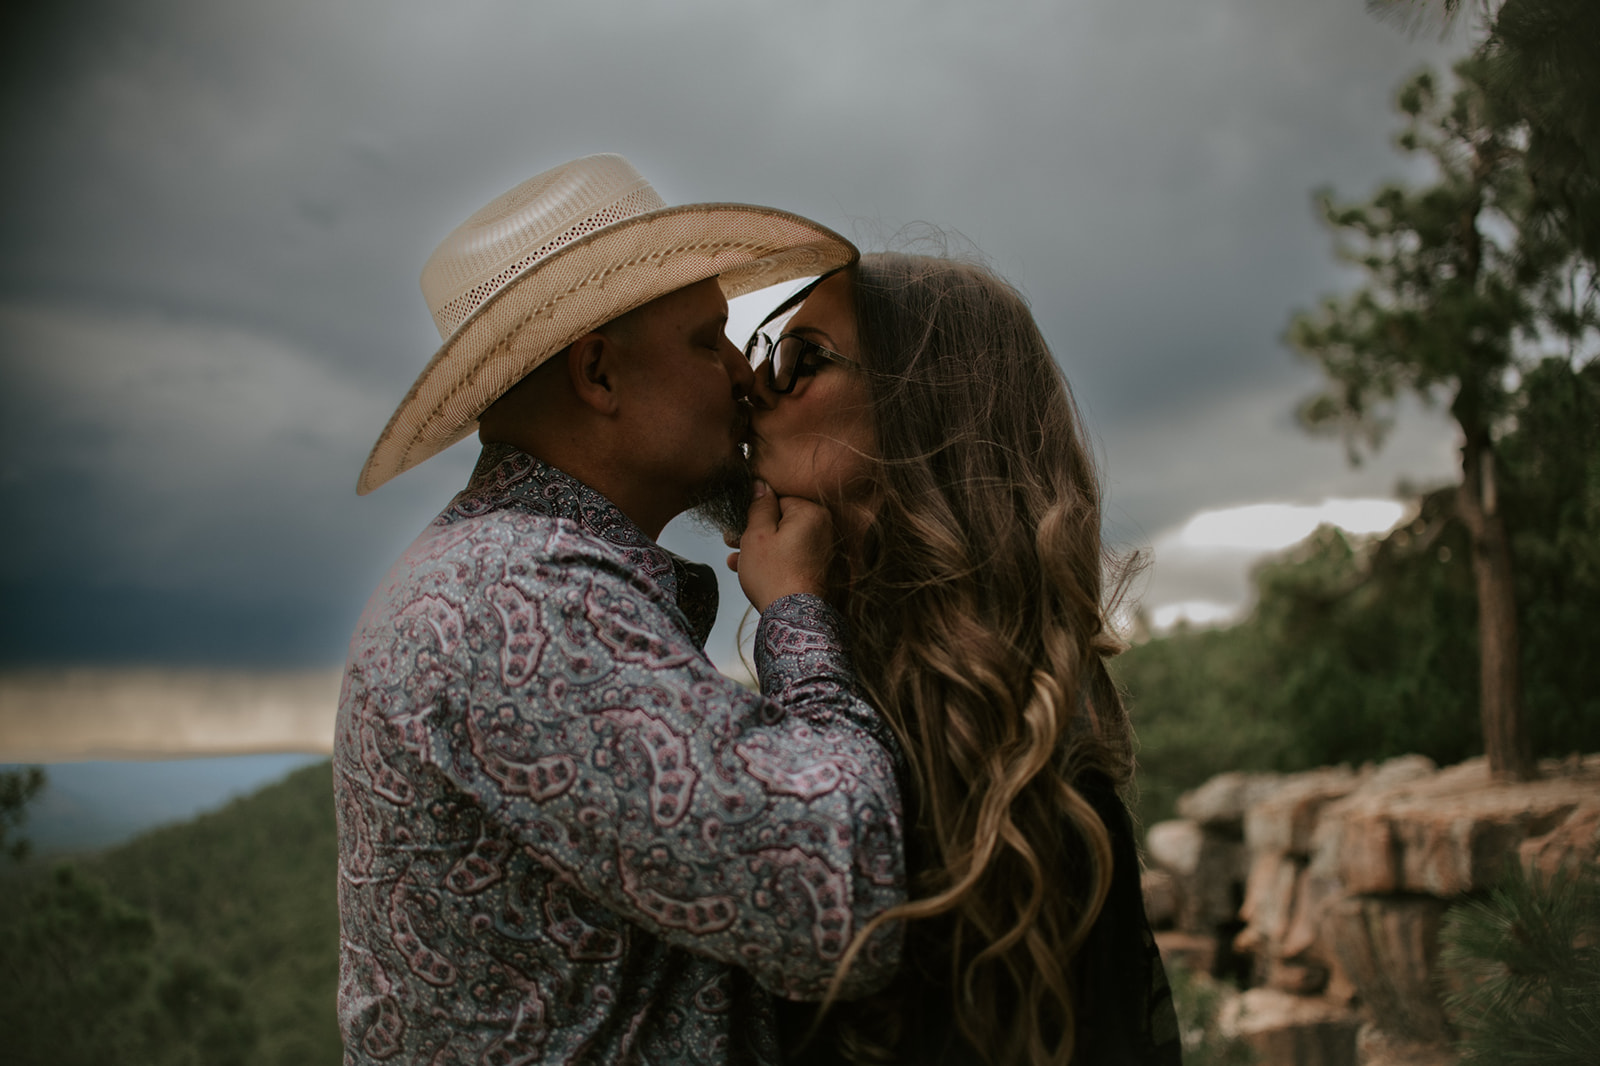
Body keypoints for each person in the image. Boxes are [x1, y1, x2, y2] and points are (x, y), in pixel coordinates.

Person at [333, 154, 907, 1066]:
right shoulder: (521, 600)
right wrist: (797, 611)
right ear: (598, 373)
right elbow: (835, 901)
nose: (740, 374)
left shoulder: (498, 572)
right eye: (705, 341)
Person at [728, 254, 1184, 1065]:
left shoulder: (1043, 781)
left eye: (804, 358)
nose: (756, 382)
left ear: (922, 412)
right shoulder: (820, 693)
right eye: (767, 350)